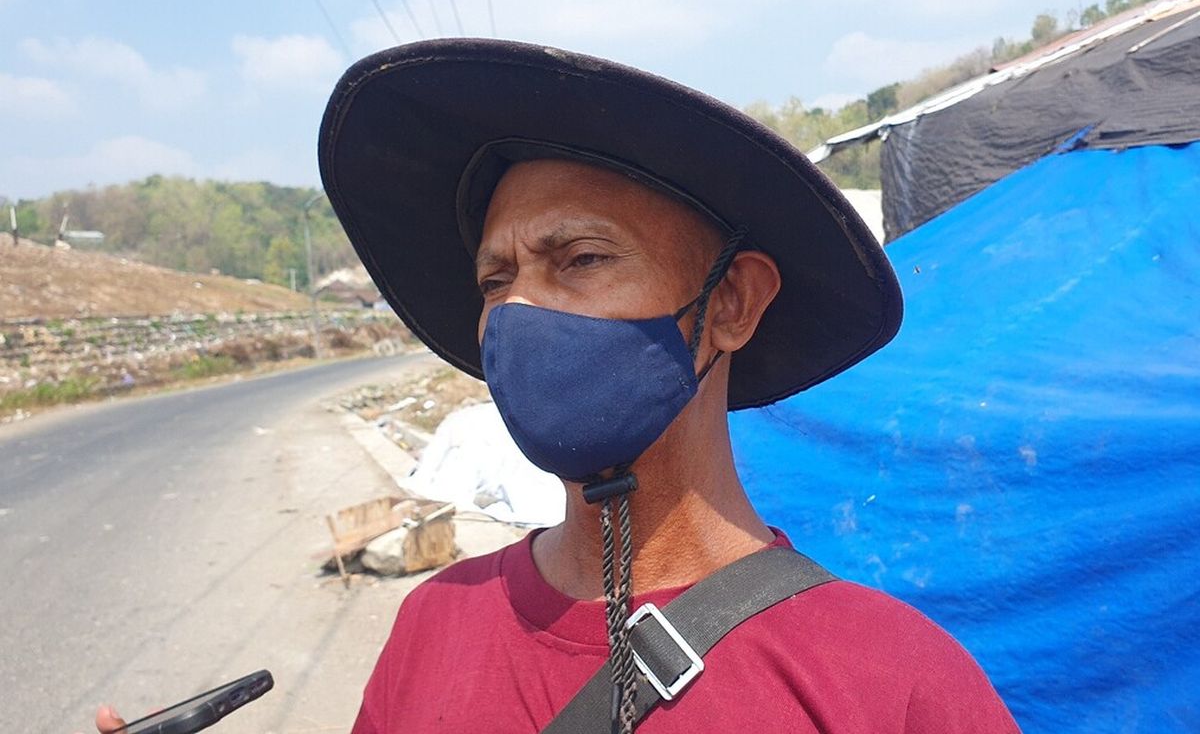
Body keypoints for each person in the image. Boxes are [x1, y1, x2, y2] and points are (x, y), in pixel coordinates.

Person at [96, 39, 1020, 733]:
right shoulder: (432, 625)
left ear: (731, 302)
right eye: (494, 282)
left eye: (579, 258)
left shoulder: (890, 683)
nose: (517, 314)